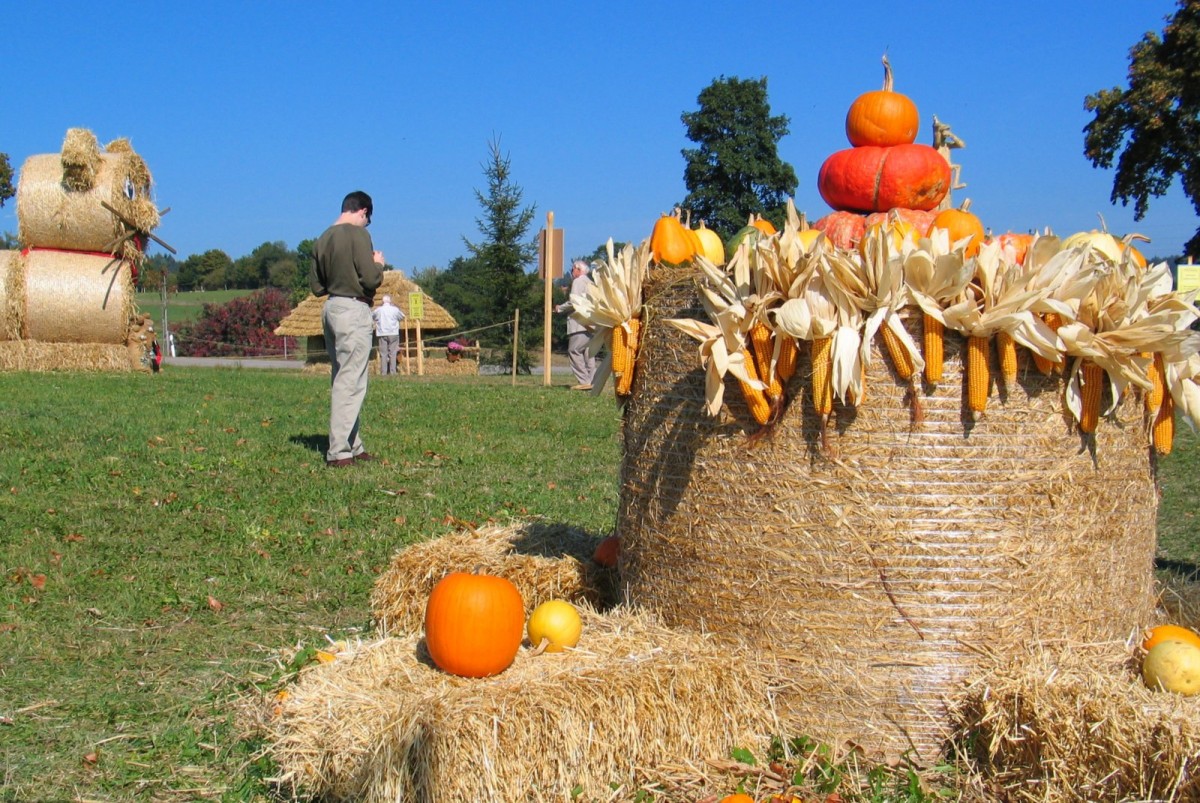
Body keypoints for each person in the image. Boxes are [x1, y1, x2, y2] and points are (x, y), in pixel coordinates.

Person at [310, 190, 385, 468]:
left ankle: (354, 444)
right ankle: (339, 451)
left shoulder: (322, 239)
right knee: (352, 382)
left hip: (331, 309)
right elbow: (370, 279)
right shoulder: (358, 235)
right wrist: (379, 264)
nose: (367, 226)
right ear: (363, 211)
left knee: (342, 377)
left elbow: (316, 287)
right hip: (354, 309)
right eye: (368, 220)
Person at [555, 260, 596, 390]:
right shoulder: (591, 283)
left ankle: (584, 381)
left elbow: (574, 301)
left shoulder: (578, 282)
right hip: (591, 323)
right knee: (589, 354)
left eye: (573, 270)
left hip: (579, 324)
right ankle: (593, 381)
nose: (572, 273)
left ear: (578, 269)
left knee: (574, 351)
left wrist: (559, 308)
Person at [373, 294, 405, 376]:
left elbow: (373, 316)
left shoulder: (379, 310)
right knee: (393, 353)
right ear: (390, 301)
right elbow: (402, 317)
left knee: (383, 354)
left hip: (382, 333)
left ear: (382, 301)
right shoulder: (395, 309)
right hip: (393, 333)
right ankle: (393, 372)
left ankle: (383, 372)